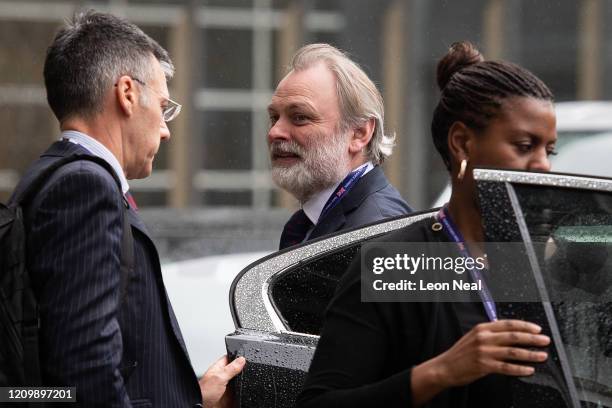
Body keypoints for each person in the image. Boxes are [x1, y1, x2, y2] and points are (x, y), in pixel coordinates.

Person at [297, 41, 558, 407]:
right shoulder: (399, 264)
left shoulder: (532, 265)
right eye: (524, 145)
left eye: (550, 150)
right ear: (462, 143)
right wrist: (442, 371)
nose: (543, 165)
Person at [10, 11, 244, 407]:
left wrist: (190, 399)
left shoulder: (55, 176)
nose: (167, 129)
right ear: (127, 93)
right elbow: (87, 372)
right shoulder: (84, 186)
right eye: (165, 106)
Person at [268, 44, 412, 250]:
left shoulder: (382, 233)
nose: (274, 132)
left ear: (359, 133)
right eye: (274, 118)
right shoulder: (304, 224)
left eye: (299, 117)